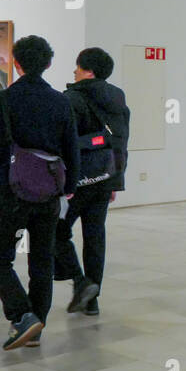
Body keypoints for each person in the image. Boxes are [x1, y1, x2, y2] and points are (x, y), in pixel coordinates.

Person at [0, 35, 79, 350]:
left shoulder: (0, 101)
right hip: (49, 191)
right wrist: (70, 187)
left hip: (10, 188)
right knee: (42, 261)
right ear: (48, 64)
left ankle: (22, 315)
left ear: (16, 64)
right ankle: (37, 325)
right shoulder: (61, 102)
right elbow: (71, 150)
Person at [53, 47, 130, 320]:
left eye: (77, 67)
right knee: (95, 237)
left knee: (56, 231)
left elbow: (64, 143)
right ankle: (92, 301)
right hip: (104, 178)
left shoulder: (71, 98)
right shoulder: (117, 98)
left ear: (88, 71)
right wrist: (114, 180)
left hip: (78, 182)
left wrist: (66, 183)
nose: (74, 71)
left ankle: (80, 281)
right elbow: (120, 141)